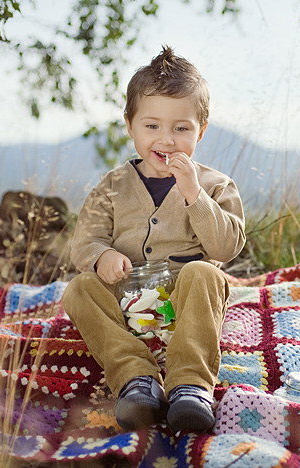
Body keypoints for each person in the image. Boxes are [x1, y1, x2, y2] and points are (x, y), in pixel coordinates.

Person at [62, 46, 245, 433]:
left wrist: (195, 195)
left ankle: (190, 387)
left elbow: (227, 248)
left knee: (206, 274)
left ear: (201, 130)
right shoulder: (112, 186)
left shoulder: (214, 185)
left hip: (184, 303)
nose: (167, 140)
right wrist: (102, 256)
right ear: (130, 125)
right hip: (124, 297)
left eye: (181, 128)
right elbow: (84, 241)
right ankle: (136, 378)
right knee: (79, 289)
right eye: (152, 126)